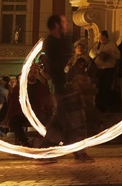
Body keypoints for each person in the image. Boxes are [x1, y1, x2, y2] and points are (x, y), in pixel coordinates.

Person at [38, 14, 93, 162]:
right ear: (57, 25)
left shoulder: (62, 40)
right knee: (76, 120)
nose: (67, 24)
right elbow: (55, 68)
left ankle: (46, 152)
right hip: (64, 87)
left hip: (66, 86)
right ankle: (79, 152)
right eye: (63, 22)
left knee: (60, 123)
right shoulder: (51, 43)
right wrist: (62, 85)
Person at [90, 30, 120, 112]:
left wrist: (109, 54)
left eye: (101, 37)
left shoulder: (111, 44)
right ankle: (99, 106)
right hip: (99, 69)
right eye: (99, 37)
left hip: (108, 69)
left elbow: (118, 55)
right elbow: (91, 53)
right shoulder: (98, 45)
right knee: (99, 87)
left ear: (105, 36)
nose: (100, 38)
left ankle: (106, 106)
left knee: (106, 87)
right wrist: (98, 53)